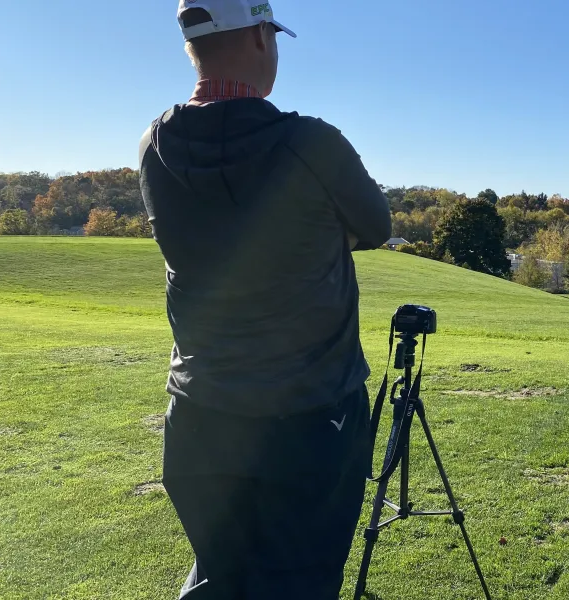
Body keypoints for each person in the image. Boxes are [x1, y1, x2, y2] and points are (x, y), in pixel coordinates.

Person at [138, 1, 392, 597]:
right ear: (258, 35)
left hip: (199, 412)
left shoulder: (155, 142)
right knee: (299, 582)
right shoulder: (312, 141)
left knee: (219, 578)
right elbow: (376, 226)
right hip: (309, 420)